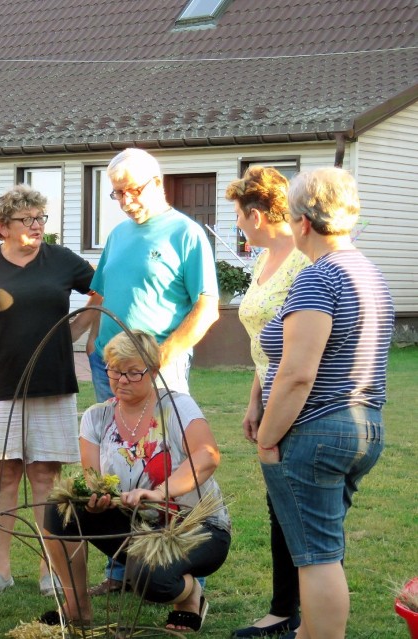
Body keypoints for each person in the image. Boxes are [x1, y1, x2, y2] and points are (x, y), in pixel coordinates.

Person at [72, 148, 220, 594]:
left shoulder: (186, 234)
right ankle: (120, 569)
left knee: (164, 461)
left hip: (155, 370)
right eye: (116, 193)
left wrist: (168, 356)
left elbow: (206, 307)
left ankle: (176, 564)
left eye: (131, 190)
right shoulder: (118, 235)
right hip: (109, 365)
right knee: (117, 460)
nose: (124, 200)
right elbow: (97, 299)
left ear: (156, 182)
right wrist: (75, 340)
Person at [256, 168, 393, 639]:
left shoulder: (320, 277)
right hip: (363, 426)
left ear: (303, 224)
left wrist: (268, 438)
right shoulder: (370, 273)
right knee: (322, 550)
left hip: (316, 430)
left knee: (316, 557)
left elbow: (297, 375)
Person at [0, 184, 95, 596]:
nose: (36, 227)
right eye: (26, 220)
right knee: (4, 473)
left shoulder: (62, 260)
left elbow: (101, 290)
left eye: (40, 219)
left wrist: (79, 329)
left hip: (52, 384)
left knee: (46, 474)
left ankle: (50, 570)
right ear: (1, 227)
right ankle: (1, 570)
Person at [43, 331, 231, 632]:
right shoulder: (97, 418)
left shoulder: (176, 407)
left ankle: (189, 594)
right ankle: (77, 604)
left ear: (153, 371)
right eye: (115, 371)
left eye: (133, 372)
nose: (122, 380)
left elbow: (207, 456)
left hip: (194, 527)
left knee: (148, 578)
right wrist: (96, 499)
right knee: (60, 509)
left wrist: (159, 493)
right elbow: (94, 479)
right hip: (137, 524)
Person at [226, 167, 309, 638]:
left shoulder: (302, 260)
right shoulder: (262, 261)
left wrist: (275, 403)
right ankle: (286, 609)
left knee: (295, 505)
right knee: (278, 505)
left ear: (256, 215)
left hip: (299, 397)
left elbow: (298, 345)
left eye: (238, 216)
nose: (238, 225)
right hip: (270, 390)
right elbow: (264, 340)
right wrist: (253, 400)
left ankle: (295, 612)